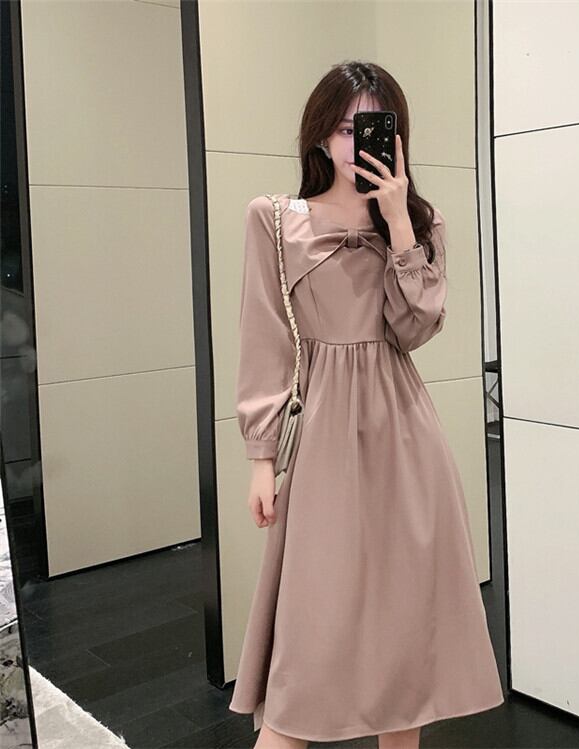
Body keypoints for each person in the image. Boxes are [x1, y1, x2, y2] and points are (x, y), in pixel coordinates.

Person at [228, 60, 504, 749]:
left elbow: (416, 329)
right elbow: (264, 339)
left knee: (402, 648)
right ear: (321, 134)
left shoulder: (421, 224)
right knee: (309, 641)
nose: (360, 143)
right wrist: (262, 457)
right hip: (323, 440)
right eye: (349, 128)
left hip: (405, 442)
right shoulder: (273, 220)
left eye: (377, 128)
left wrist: (399, 224)